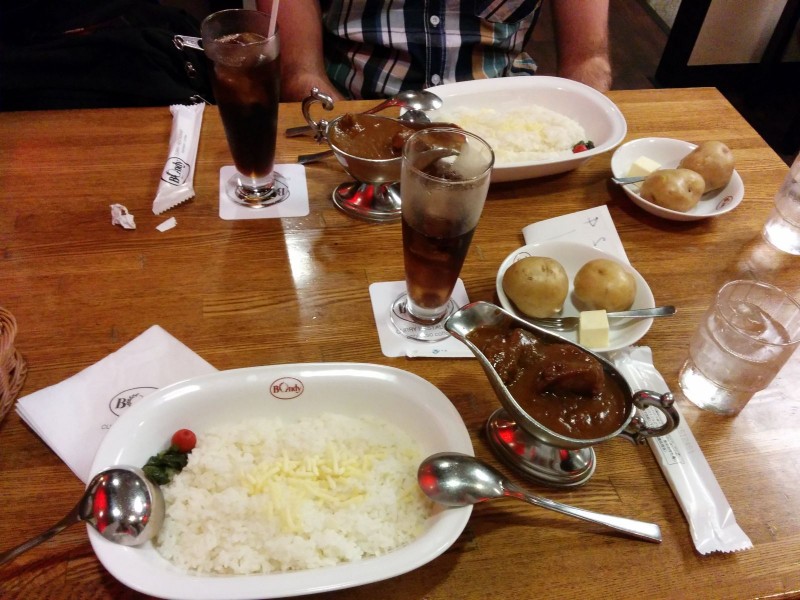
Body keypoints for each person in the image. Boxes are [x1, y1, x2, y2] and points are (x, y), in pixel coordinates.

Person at [263, 0, 611, 102]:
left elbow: (588, 61)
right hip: (356, 110)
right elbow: (300, 74)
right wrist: (346, 136)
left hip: (504, 121)